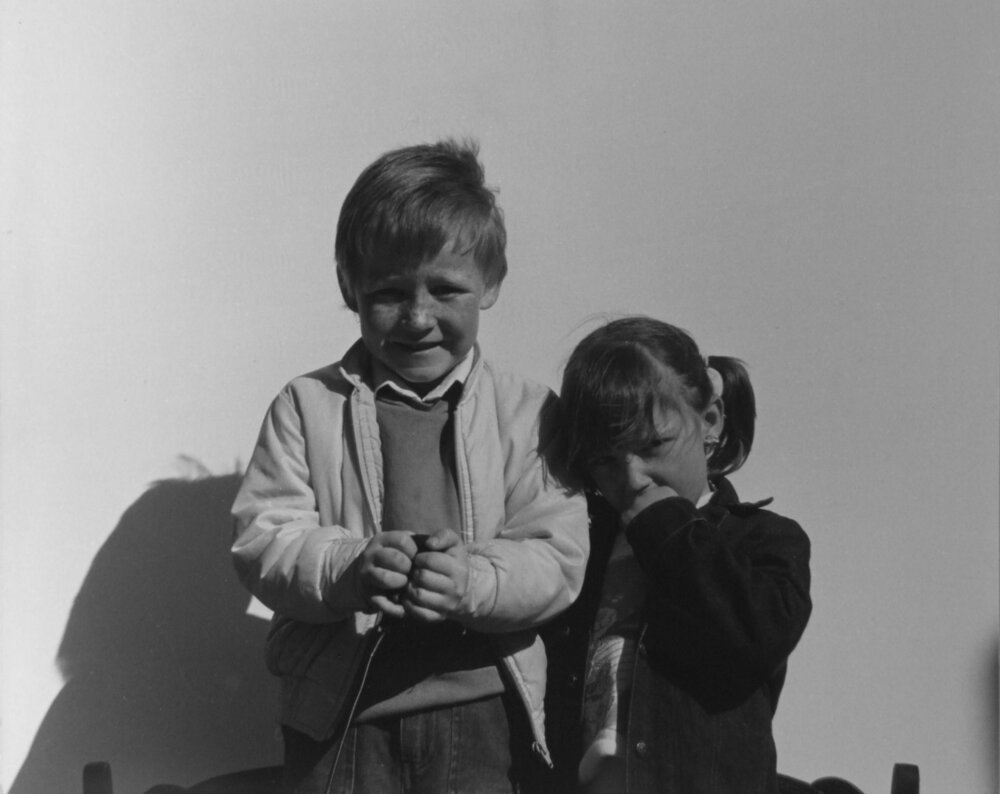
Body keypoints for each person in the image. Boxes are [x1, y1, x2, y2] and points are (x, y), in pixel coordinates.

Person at [230, 139, 589, 794]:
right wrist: (348, 566)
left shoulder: (531, 412)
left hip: (484, 714)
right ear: (349, 287)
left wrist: (471, 580)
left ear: (491, 284)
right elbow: (263, 540)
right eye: (390, 292)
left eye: (446, 289)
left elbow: (558, 558)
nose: (419, 318)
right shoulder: (306, 406)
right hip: (340, 717)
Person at [548, 316, 811, 794]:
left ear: (709, 421)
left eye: (654, 445)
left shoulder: (765, 539)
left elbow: (756, 638)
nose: (632, 479)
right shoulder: (581, 543)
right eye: (606, 460)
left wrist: (667, 528)